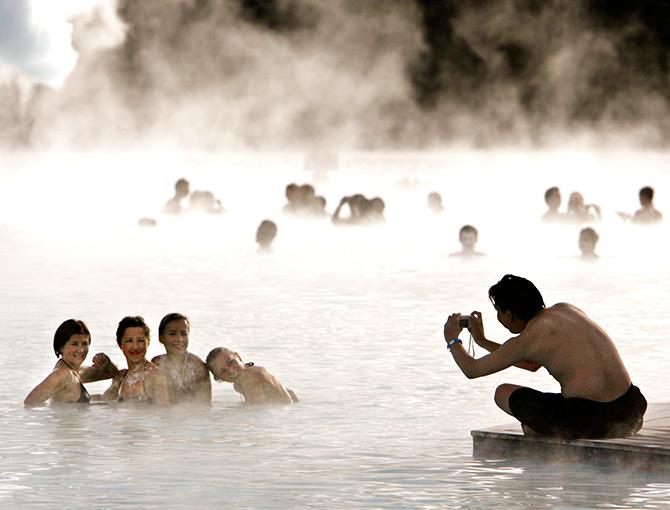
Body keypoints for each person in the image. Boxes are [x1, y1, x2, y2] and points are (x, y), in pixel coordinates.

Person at [443, 274, 647, 439]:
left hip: (595, 421)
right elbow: (531, 364)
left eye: (498, 312)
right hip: (632, 409)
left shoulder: (530, 338)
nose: (499, 318)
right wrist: (482, 341)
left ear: (509, 314)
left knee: (502, 392)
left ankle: (544, 431)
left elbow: (472, 370)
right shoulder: (567, 309)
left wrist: (452, 340)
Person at [24, 319, 118, 406]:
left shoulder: (73, 370)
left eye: (84, 344)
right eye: (74, 344)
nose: (81, 350)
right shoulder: (61, 375)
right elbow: (29, 403)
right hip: (69, 424)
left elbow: (113, 373)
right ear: (61, 347)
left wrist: (107, 363)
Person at [101, 316, 170, 405]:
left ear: (148, 342)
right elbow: (102, 401)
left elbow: (164, 414)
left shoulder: (155, 376)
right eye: (129, 341)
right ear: (120, 344)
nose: (135, 347)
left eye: (140, 340)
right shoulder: (121, 377)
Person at [151, 313, 211, 404]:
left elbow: (205, 405)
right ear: (161, 338)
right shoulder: (157, 363)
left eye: (183, 334)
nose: (179, 339)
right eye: (172, 334)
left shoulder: (199, 367)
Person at [205, 347, 298, 405]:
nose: (230, 370)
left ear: (238, 356)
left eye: (231, 362)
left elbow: (256, 412)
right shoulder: (242, 380)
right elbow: (291, 393)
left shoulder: (249, 378)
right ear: (219, 378)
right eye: (223, 371)